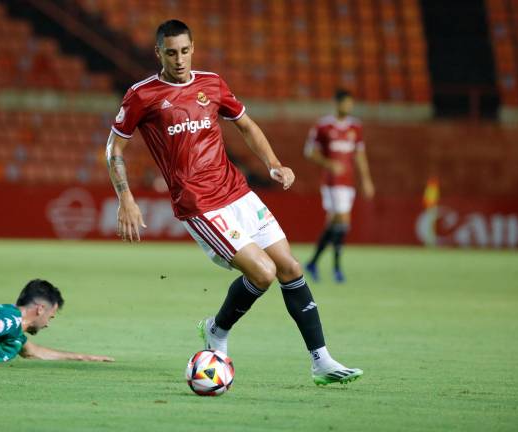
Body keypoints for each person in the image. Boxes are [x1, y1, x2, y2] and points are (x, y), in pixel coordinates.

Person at [106, 19, 362, 385]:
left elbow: (246, 125)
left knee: (289, 267)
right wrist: (125, 197)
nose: (179, 59)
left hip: (237, 192)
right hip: (200, 204)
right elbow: (115, 147)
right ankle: (217, 330)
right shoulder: (142, 95)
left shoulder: (211, 83)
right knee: (263, 273)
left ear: (193, 48)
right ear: (158, 52)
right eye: (170, 52)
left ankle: (321, 361)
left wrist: (273, 164)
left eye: (184, 51)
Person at [303, 89, 375, 283]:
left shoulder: (355, 127)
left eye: (351, 103)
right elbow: (309, 151)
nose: (349, 107)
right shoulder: (324, 125)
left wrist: (366, 180)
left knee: (335, 224)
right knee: (342, 221)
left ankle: (313, 262)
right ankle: (336, 268)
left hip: (348, 182)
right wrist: (329, 164)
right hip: (331, 182)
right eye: (346, 103)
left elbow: (360, 155)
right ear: (337, 103)